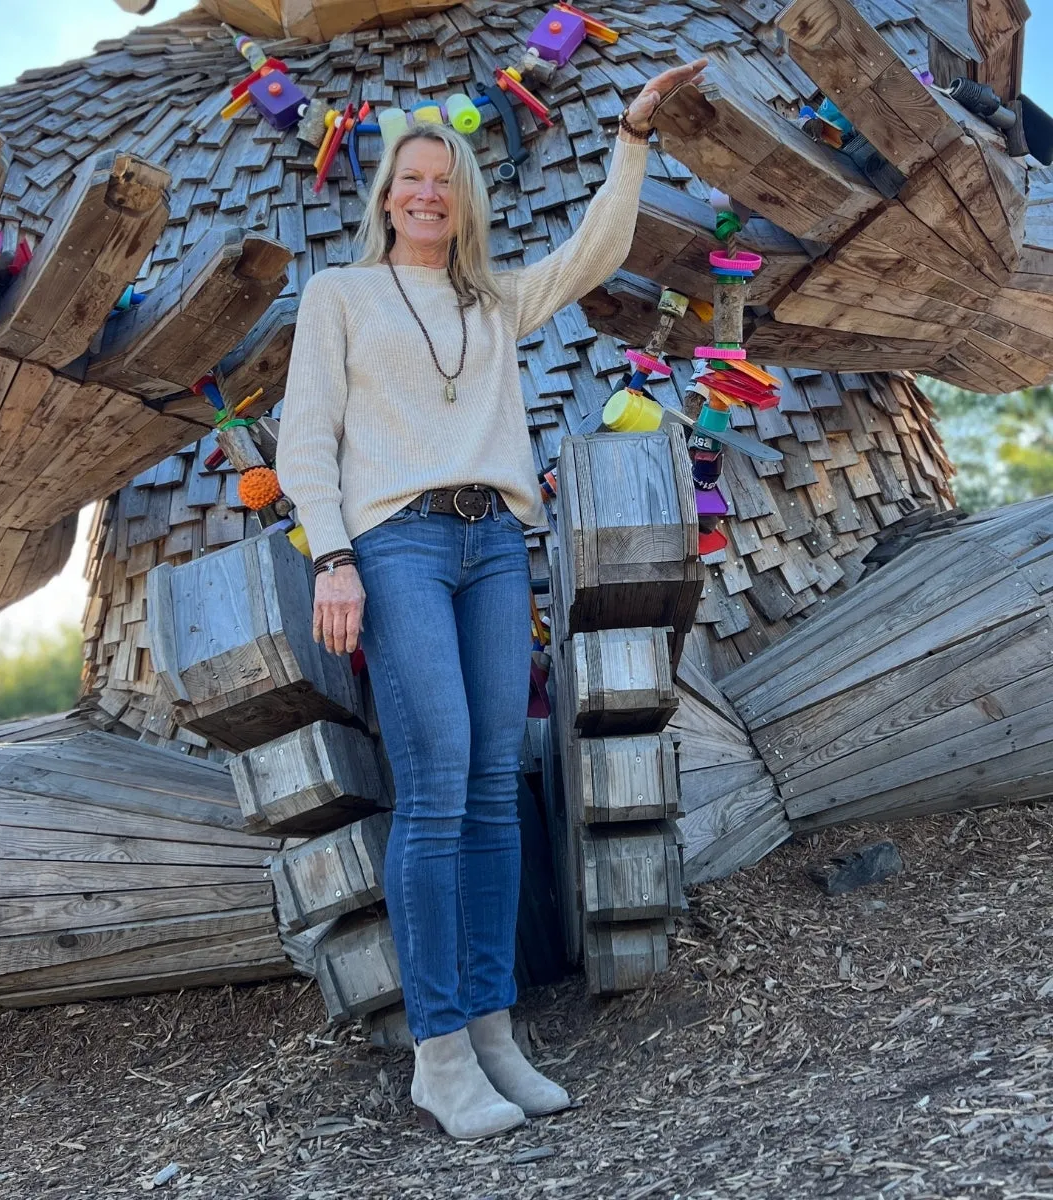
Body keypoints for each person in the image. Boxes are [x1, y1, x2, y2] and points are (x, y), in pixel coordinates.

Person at [276, 58, 708, 1141]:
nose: (428, 194)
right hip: (399, 545)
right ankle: (440, 1054)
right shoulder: (340, 297)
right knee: (433, 790)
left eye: (446, 182)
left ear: (465, 200)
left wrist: (633, 137)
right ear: (386, 194)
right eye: (412, 179)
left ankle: (495, 1029)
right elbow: (306, 442)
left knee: (488, 786)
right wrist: (333, 559)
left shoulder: (493, 298)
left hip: (495, 545)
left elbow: (595, 249)